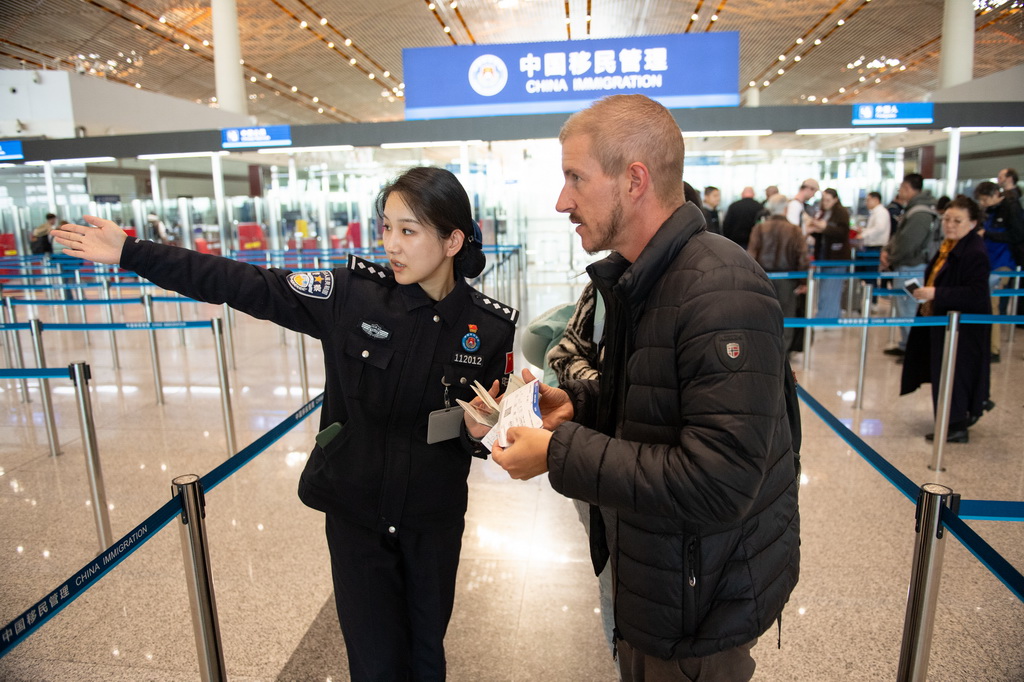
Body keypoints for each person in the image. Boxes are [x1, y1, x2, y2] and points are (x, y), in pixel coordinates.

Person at [54, 166, 517, 681]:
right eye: (386, 227)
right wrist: (130, 252)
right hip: (356, 517)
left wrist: (480, 434)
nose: (391, 244)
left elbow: (481, 429)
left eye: (408, 231)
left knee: (427, 655)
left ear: (453, 240)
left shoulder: (489, 327)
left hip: (432, 522)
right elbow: (241, 283)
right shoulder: (350, 295)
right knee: (376, 663)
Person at [490, 94, 800, 681]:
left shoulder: (721, 289)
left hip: (699, 610)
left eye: (575, 178)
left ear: (634, 180)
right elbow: (658, 405)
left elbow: (719, 480)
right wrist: (579, 404)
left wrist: (558, 453)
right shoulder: (646, 279)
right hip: (663, 581)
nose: (562, 201)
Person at [900, 195, 992, 443]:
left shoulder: (974, 253)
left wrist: (936, 293)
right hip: (943, 321)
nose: (950, 224)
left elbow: (976, 294)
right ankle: (950, 420)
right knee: (944, 373)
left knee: (956, 375)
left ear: (973, 223)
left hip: (961, 329)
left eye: (957, 220)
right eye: (947, 219)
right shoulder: (949, 246)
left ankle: (956, 425)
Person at [881, 173, 936, 358]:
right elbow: (900, 237)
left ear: (908, 187)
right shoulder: (913, 209)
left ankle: (913, 350)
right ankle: (906, 345)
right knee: (903, 307)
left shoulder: (920, 213)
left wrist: (892, 256)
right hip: (906, 265)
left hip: (912, 267)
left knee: (909, 308)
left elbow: (908, 241)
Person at [974, 180, 1024, 363]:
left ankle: (993, 349)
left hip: (1004, 263)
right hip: (988, 262)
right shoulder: (989, 212)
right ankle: (985, 345)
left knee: (992, 303)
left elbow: (1018, 235)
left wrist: (987, 235)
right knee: (986, 303)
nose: (983, 203)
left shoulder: (1011, 208)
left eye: (985, 199)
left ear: (996, 194)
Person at [748, 215, 809, 353]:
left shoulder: (760, 228)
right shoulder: (794, 230)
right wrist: (803, 282)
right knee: (786, 317)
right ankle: (783, 353)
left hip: (763, 278)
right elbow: (802, 257)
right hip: (788, 280)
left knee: (763, 315)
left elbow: (751, 254)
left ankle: (764, 350)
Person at [807, 188, 852, 318]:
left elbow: (842, 232)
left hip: (836, 257)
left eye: (828, 200)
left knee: (831, 288)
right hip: (824, 255)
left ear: (835, 200)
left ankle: (829, 316)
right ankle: (825, 313)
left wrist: (824, 228)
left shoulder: (841, 212)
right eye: (823, 200)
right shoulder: (824, 212)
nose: (825, 203)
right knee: (824, 288)